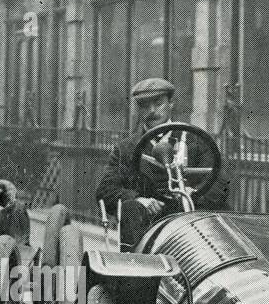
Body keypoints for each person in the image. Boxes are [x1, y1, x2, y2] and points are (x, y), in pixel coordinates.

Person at [95, 77, 229, 251]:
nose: (152, 111)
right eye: (144, 106)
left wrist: (194, 193)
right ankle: (139, 273)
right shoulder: (126, 149)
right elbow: (106, 190)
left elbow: (220, 181)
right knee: (131, 209)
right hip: (149, 225)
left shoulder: (195, 140)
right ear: (138, 109)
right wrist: (138, 199)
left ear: (171, 103)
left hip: (194, 218)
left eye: (158, 103)